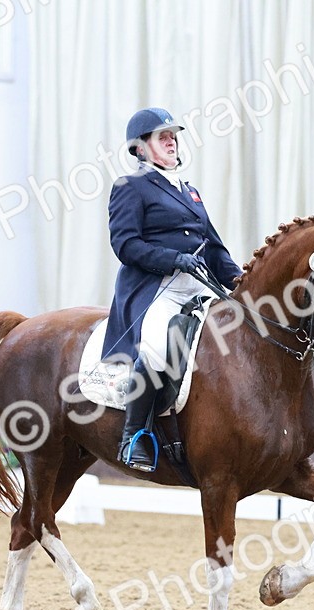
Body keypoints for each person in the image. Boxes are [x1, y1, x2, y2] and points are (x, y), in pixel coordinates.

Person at [103, 107, 243, 471]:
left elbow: (214, 248)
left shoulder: (189, 191)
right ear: (140, 148)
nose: (171, 141)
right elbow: (125, 244)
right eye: (161, 136)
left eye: (173, 136)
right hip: (157, 289)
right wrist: (172, 259)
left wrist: (243, 284)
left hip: (197, 287)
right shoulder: (129, 186)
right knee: (154, 352)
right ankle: (134, 436)